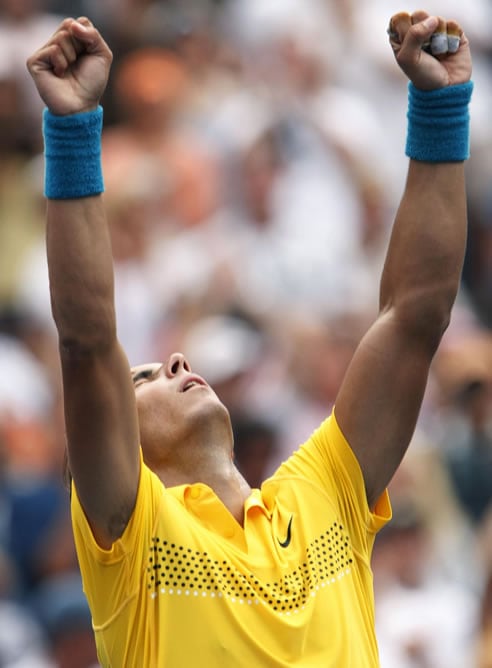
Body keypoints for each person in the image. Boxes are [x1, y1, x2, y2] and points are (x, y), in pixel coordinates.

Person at [26, 10, 473, 667]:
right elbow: (87, 342)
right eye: (145, 378)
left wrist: (439, 107)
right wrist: (72, 130)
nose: (176, 361)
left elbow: (415, 316)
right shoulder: (135, 537)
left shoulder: (321, 494)